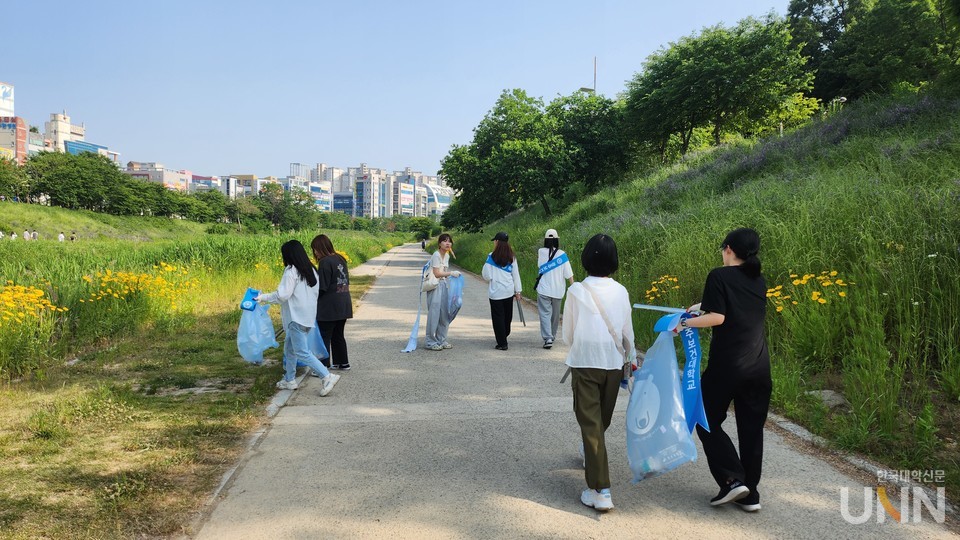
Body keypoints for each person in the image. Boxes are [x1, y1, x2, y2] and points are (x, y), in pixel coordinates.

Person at [683, 228, 770, 513]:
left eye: (723, 249)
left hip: (728, 367)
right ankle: (750, 495)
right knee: (751, 430)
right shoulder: (759, 281)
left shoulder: (718, 275)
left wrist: (683, 323)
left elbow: (718, 317)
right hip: (759, 368)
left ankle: (732, 479)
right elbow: (731, 308)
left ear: (729, 249)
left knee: (703, 417)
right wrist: (699, 308)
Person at [562, 233, 636, 512]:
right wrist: (630, 358)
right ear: (614, 261)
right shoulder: (621, 290)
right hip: (614, 364)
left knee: (592, 425)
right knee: (599, 422)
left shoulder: (576, 291)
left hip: (585, 362)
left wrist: (579, 346)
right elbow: (627, 330)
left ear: (585, 259)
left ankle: (601, 490)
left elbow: (568, 332)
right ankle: (591, 457)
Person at [256, 239, 341, 396]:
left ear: (288, 255)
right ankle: (289, 379)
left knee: (302, 352)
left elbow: (283, 295)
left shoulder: (291, 271)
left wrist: (263, 297)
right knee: (289, 349)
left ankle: (327, 376)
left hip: (296, 318)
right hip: (308, 317)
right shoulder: (311, 270)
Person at [311, 234, 353, 369]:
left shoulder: (325, 262)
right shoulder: (340, 258)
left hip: (329, 306)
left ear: (321, 248)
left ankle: (323, 366)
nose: (315, 253)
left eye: (315, 249)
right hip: (344, 302)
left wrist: (311, 299)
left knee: (325, 336)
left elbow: (322, 287)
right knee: (338, 335)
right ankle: (342, 362)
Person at [481, 231, 522, 351]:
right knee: (507, 316)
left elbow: (487, 275)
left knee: (498, 317)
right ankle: (505, 334)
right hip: (509, 291)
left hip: (496, 292)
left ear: (497, 242)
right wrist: (518, 291)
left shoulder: (491, 256)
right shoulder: (512, 257)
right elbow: (516, 275)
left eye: (495, 241)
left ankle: (502, 342)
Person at [536, 228, 574, 349]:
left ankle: (548, 338)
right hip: (558, 291)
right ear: (557, 240)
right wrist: (573, 287)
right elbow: (569, 274)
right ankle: (551, 336)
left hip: (543, 290)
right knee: (555, 315)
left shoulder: (541, 251)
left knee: (544, 314)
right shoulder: (562, 255)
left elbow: (540, 266)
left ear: (545, 240)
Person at [424, 233, 460, 351]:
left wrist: (452, 277)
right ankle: (430, 341)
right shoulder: (436, 255)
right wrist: (451, 273)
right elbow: (437, 273)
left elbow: (444, 273)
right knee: (434, 314)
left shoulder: (447, 256)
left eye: (449, 241)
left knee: (444, 314)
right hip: (434, 286)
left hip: (443, 285)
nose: (447, 243)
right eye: (444, 241)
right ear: (439, 243)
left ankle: (441, 339)